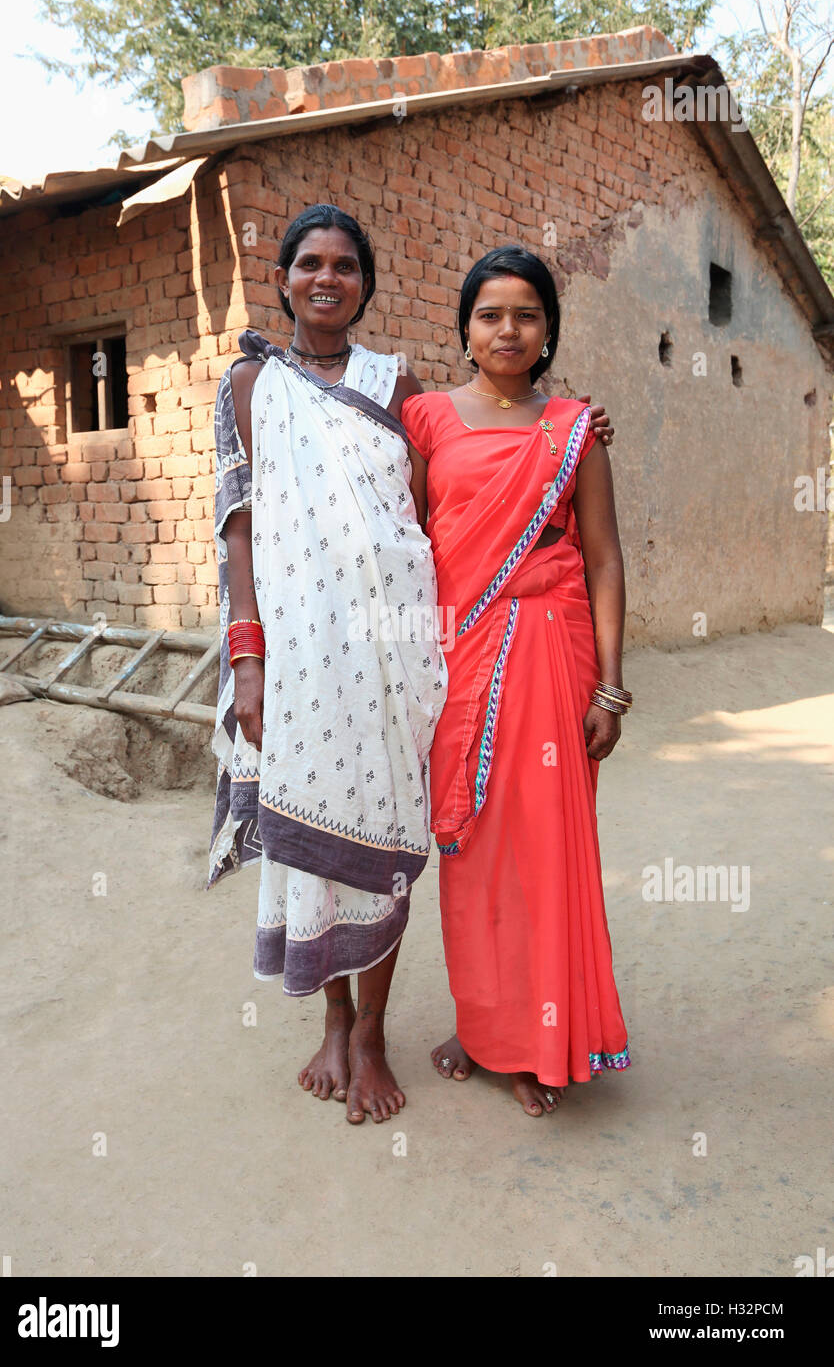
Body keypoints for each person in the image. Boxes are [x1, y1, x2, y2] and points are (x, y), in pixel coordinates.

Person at [208, 207, 615, 1126]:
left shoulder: (400, 389)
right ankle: (335, 1023)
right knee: (315, 839)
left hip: (400, 658)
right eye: (308, 263)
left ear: (366, 284)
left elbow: (444, 507)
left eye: (345, 266)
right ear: (281, 280)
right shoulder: (246, 386)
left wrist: (578, 439)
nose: (326, 278)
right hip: (302, 657)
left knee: (389, 834)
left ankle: (377, 1032)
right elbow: (238, 530)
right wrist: (249, 661)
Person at [400, 245, 631, 1119]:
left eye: (526, 314)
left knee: (544, 853)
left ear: (547, 332)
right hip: (461, 661)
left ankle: (543, 1040)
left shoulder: (575, 430)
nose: (508, 328)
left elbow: (605, 561)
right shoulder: (425, 420)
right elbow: (410, 547)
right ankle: (485, 1025)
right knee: (472, 855)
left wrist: (609, 689)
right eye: (491, 313)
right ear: (465, 330)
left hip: (551, 658)